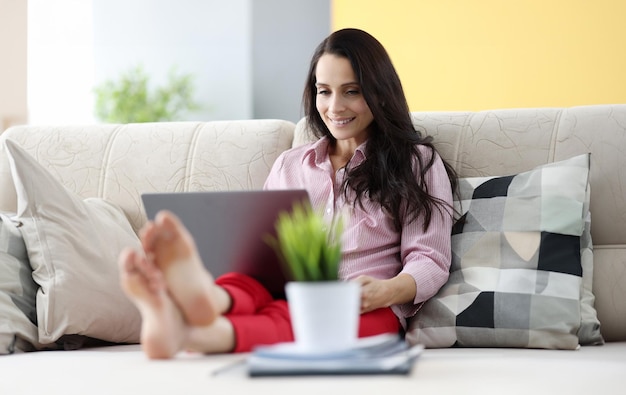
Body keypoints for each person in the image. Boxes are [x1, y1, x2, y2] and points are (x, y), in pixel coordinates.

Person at [118, 28, 457, 359]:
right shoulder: (292, 165)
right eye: (324, 91)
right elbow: (263, 250)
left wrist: (388, 290)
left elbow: (430, 258)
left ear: (380, 93)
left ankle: (190, 329)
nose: (335, 106)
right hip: (289, 292)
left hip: (367, 307)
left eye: (351, 91)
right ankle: (208, 297)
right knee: (249, 278)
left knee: (302, 323)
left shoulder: (416, 162)